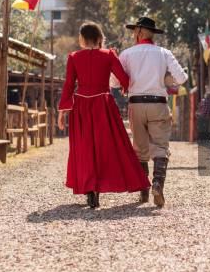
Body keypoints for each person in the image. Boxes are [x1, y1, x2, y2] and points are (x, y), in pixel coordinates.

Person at [57, 22, 150, 209]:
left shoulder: (73, 57)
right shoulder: (108, 55)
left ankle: (91, 192)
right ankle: (139, 183)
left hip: (81, 106)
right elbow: (124, 79)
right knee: (111, 147)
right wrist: (125, 89)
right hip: (103, 105)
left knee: (85, 149)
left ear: (82, 39)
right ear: (100, 38)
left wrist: (62, 111)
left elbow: (68, 85)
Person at [112, 17, 187, 207]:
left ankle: (143, 191)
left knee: (140, 149)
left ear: (139, 32)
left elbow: (113, 82)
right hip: (158, 103)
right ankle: (158, 184)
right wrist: (165, 79)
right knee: (160, 147)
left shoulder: (127, 54)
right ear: (151, 33)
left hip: (135, 104)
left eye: (134, 31)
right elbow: (181, 78)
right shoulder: (164, 53)